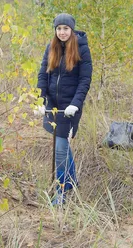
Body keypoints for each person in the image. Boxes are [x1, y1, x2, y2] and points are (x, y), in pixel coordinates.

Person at [37, 13, 92, 205]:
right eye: (59, 28)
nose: (62, 32)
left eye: (65, 28)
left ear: (72, 29)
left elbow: (85, 80)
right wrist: (40, 99)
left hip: (70, 107)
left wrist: (75, 104)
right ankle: (71, 183)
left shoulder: (82, 49)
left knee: (61, 149)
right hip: (53, 106)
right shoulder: (51, 47)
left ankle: (61, 191)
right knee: (63, 147)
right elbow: (44, 74)